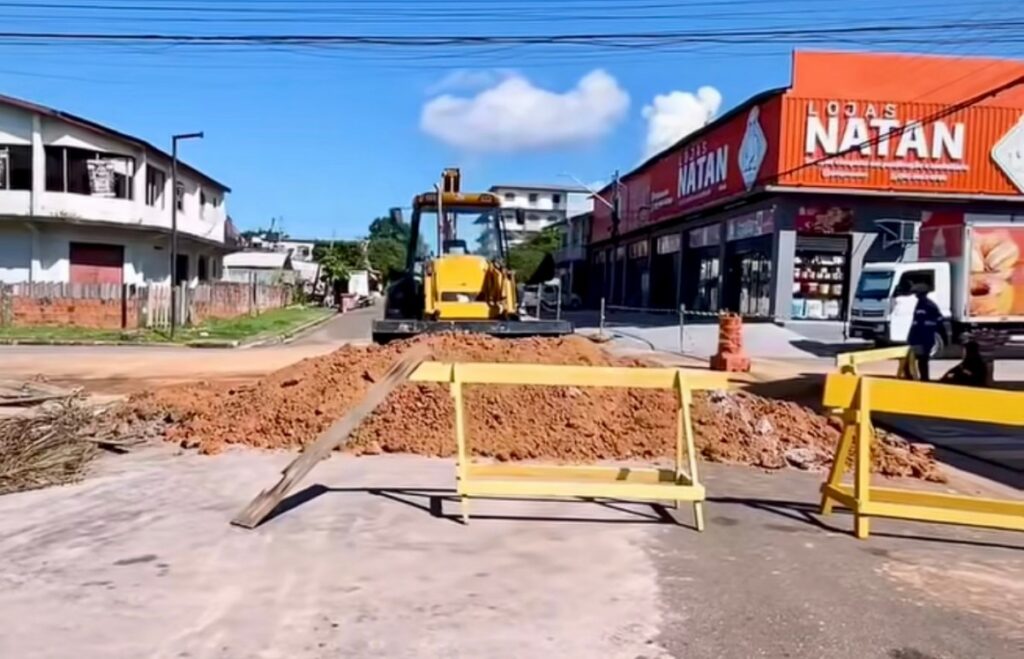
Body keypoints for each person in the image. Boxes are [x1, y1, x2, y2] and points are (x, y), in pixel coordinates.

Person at [906, 283, 948, 381]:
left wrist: (944, 337)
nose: (915, 295)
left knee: (922, 359)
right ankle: (919, 378)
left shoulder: (929, 305)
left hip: (926, 337)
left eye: (917, 293)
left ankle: (925, 379)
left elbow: (940, 321)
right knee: (914, 358)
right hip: (918, 337)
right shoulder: (920, 304)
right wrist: (911, 336)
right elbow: (915, 322)